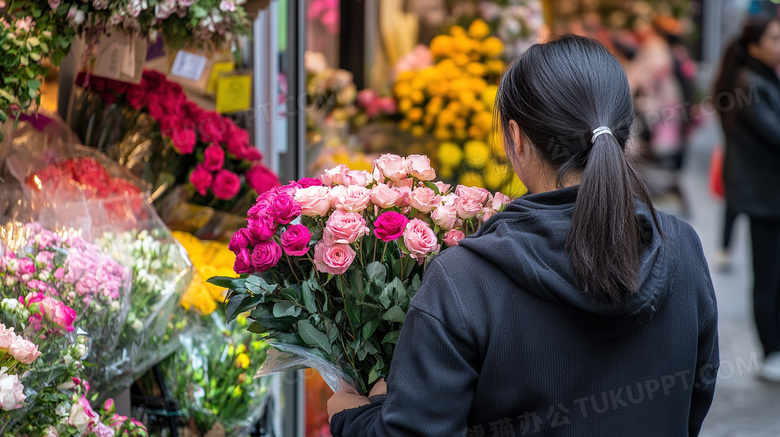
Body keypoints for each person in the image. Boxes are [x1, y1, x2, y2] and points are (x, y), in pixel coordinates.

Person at [328, 35, 719, 436]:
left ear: (515, 137)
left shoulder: (463, 281)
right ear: (624, 129)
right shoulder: (682, 248)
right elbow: (694, 395)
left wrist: (351, 415)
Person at [713, 15, 780, 382]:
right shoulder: (750, 84)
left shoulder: (761, 77)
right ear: (754, 46)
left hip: (767, 194)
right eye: (774, 38)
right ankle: (771, 353)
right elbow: (775, 135)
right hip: (763, 196)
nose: (779, 44)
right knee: (768, 277)